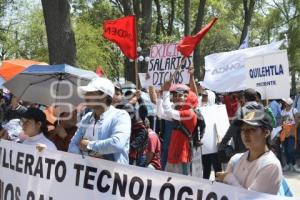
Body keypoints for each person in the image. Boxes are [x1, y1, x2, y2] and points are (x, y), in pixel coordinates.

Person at [215, 108, 282, 195]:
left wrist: (228, 178)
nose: (245, 134)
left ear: (266, 133)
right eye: (243, 129)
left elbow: (250, 198)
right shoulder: (235, 159)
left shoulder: (271, 165)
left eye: (252, 129)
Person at [68, 77, 131, 164]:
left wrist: (89, 146)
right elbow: (72, 145)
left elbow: (116, 143)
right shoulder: (87, 118)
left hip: (112, 176)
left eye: (91, 93)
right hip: (88, 174)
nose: (86, 96)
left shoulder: (120, 116)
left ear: (104, 97)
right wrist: (87, 158)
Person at [158, 81, 198, 175]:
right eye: (175, 95)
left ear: (188, 98)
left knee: (182, 184)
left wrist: (166, 92)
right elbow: (161, 114)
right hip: (172, 155)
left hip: (182, 157)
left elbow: (167, 111)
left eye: (180, 95)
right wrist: (160, 97)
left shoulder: (189, 113)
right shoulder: (180, 112)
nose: (176, 98)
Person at [280, 98, 300, 172]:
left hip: (291, 131)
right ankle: (288, 164)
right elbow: (282, 122)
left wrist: (291, 132)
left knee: (290, 150)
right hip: (284, 132)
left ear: (287, 103)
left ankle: (294, 164)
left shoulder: (294, 110)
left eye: (284, 102)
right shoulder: (282, 111)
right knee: (286, 150)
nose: (283, 102)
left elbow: (297, 122)